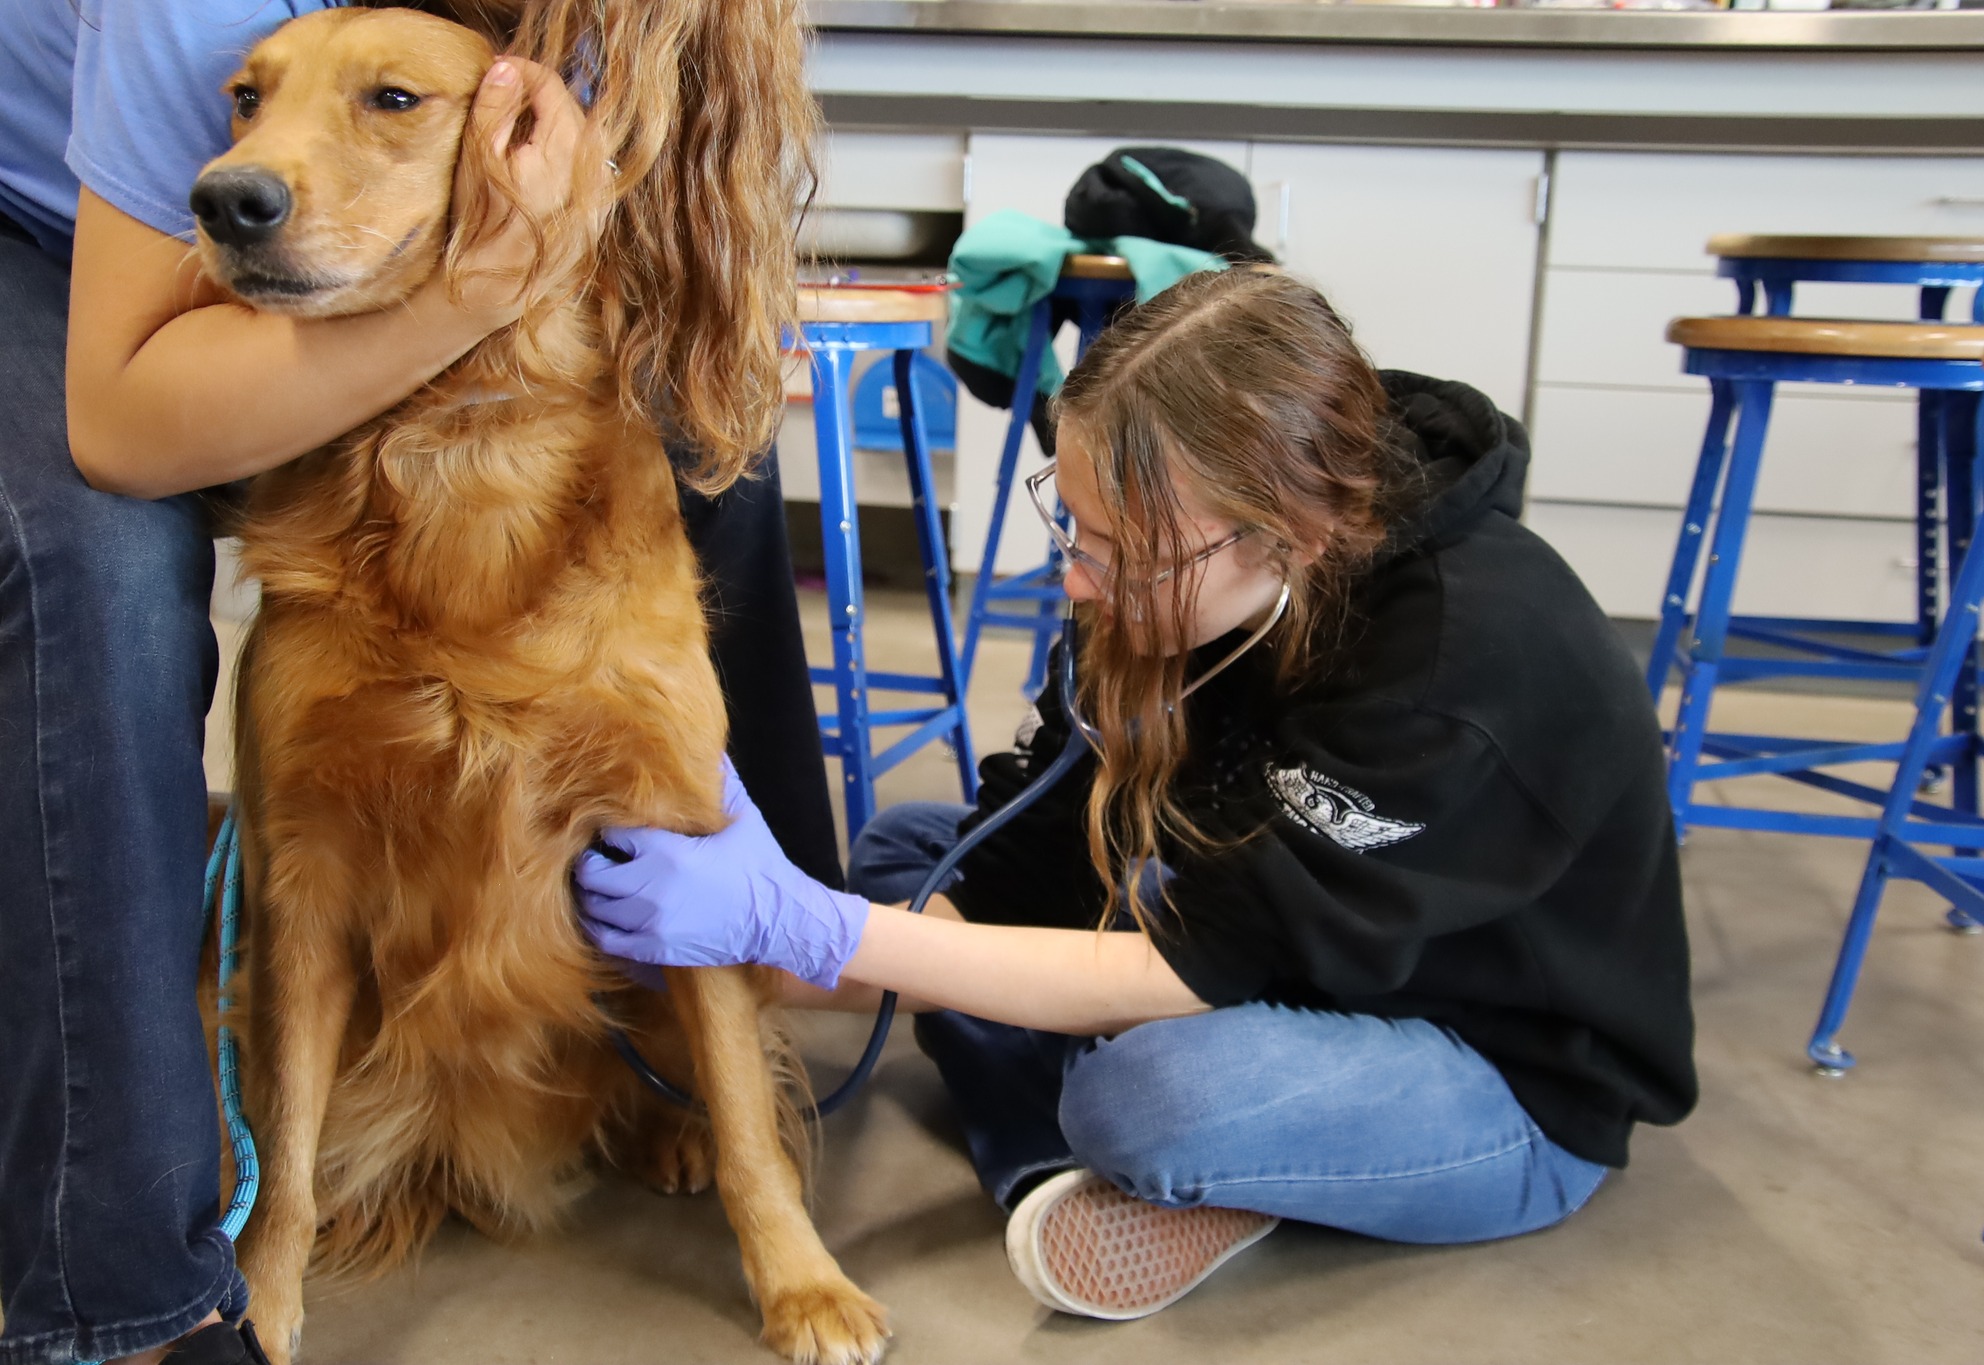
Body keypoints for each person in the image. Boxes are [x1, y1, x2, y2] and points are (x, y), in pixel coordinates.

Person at [576, 267, 1700, 1322]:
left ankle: (1088, 1146)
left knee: (1146, 1095)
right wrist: (775, 954)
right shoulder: (1186, 552)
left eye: (1119, 554)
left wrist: (812, 928)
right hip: (1269, 931)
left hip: (1487, 1064)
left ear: (1287, 537)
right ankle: (1095, 1101)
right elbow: (1035, 841)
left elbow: (1188, 964)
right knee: (911, 854)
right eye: (1071, 523)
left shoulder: (1460, 667)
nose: (1076, 577)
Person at [0, 4, 835, 1363]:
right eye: (248, 104)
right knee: (89, 567)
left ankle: (759, 1004)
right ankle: (121, 1294)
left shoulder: (587, 44)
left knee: (709, 465)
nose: (258, 145)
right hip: (62, 250)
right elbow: (122, 422)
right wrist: (467, 288)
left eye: (392, 98)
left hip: (453, 307)